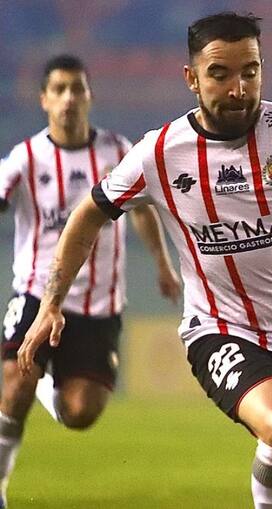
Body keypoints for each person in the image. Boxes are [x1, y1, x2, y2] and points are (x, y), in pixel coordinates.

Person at [17, 13, 272, 509]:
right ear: (191, 78)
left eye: (250, 71)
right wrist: (50, 303)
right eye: (220, 73)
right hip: (222, 329)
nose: (238, 88)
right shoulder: (159, 153)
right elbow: (88, 216)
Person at [0, 54, 180, 507]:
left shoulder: (117, 151)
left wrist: (162, 262)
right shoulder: (26, 157)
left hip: (100, 305)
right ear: (44, 99)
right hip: (37, 296)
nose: (68, 99)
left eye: (77, 88)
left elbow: (141, 210)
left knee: (80, 413)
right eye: (58, 89)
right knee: (13, 387)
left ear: (89, 96)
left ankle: (46, 379)